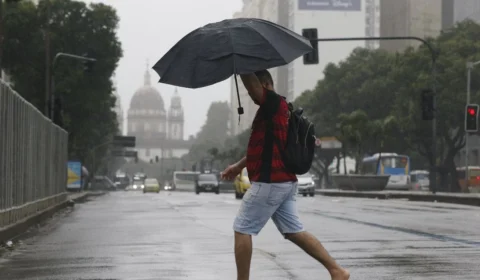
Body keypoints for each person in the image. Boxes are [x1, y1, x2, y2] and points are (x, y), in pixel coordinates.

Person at [221, 70, 350, 280]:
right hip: (284, 181)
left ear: (264, 84)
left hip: (270, 181)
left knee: (242, 229)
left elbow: (254, 88)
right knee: (294, 231)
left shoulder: (272, 102)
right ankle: (337, 271)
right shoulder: (278, 109)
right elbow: (264, 149)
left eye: (254, 90)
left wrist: (241, 64)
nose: (252, 96)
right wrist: (237, 167)